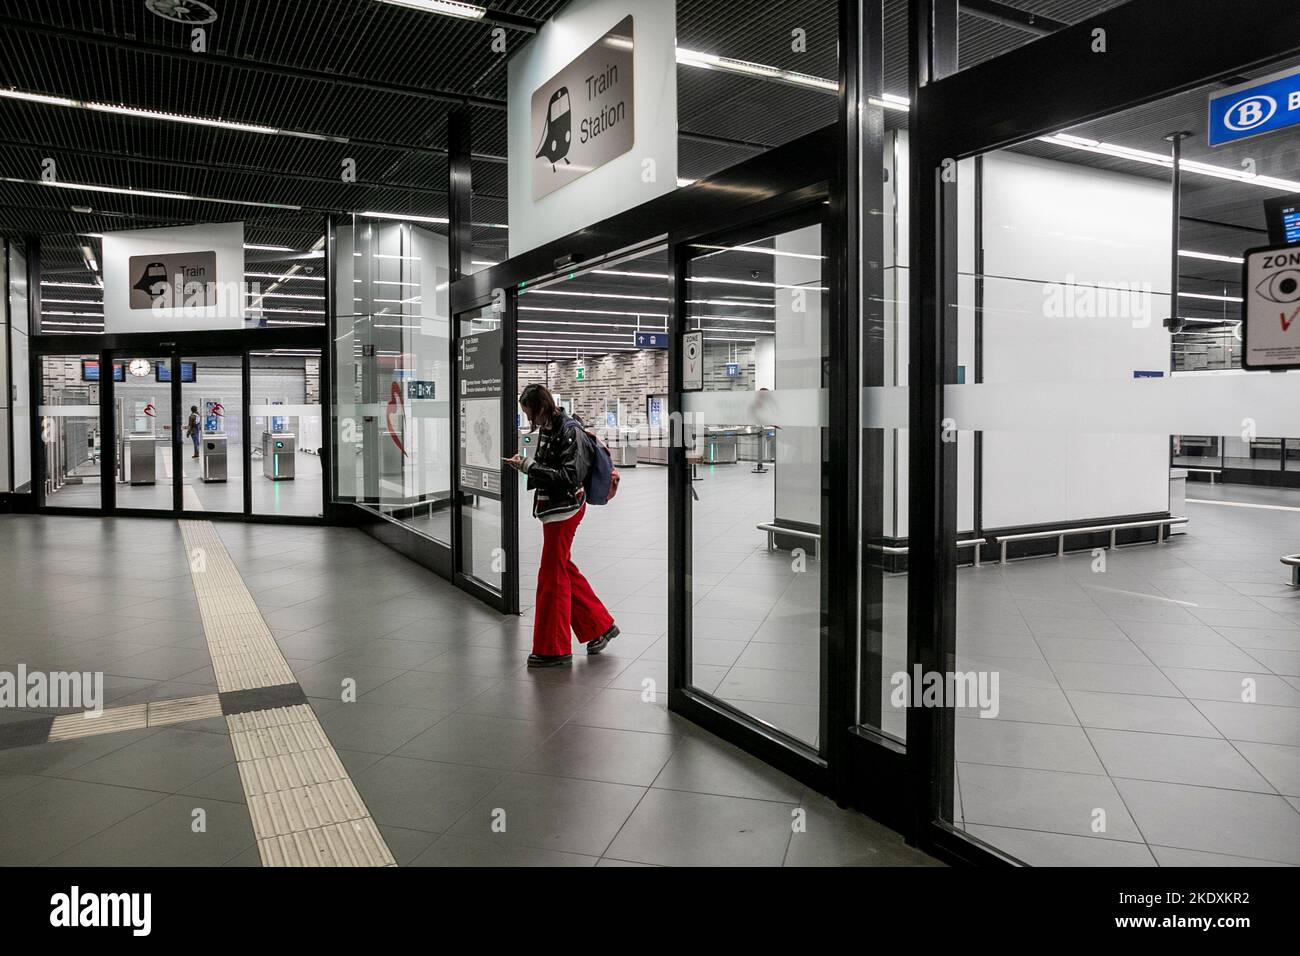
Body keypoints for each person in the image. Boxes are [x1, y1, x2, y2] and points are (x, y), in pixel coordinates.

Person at [504, 383, 618, 667]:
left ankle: (554, 649)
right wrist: (526, 465)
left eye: (531, 415)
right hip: (553, 509)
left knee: (552, 576)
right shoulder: (551, 428)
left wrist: (529, 467)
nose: (531, 422)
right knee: (562, 567)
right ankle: (600, 626)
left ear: (541, 407)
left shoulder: (569, 431)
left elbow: (570, 476)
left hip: (565, 511)